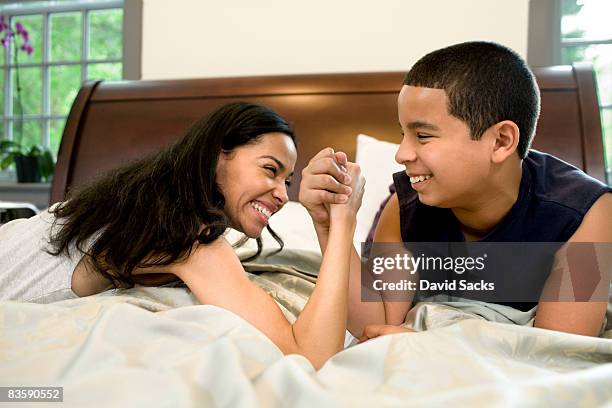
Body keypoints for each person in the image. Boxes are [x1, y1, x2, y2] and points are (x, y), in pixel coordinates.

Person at [0, 102, 365, 369]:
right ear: (217, 155)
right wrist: (341, 221)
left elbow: (383, 311)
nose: (284, 194)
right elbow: (308, 356)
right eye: (270, 170)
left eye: (287, 180)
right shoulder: (189, 236)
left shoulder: (145, 199)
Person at [299, 41, 612, 341]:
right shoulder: (406, 205)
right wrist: (330, 225)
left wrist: (433, 345)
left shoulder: (587, 212)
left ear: (501, 141)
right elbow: (376, 324)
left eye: (422, 135)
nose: (402, 154)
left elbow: (556, 350)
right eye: (403, 134)